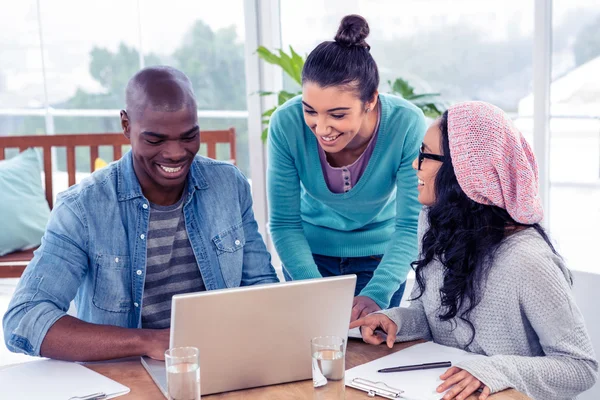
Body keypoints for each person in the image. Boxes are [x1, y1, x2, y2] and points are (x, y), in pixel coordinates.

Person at [3, 66, 279, 362]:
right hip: (122, 373)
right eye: (156, 140)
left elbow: (262, 287)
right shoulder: (82, 208)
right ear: (126, 125)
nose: (175, 153)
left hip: (218, 362)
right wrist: (150, 342)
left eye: (189, 136)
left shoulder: (229, 185)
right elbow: (24, 319)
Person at [350, 101, 598, 400]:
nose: (415, 165)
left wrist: (497, 371)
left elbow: (581, 367)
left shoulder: (528, 260)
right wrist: (395, 321)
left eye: (426, 156)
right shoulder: (434, 224)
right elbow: (431, 317)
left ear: (467, 171)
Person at [267, 14, 425, 322]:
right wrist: (313, 288)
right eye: (310, 110)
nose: (321, 128)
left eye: (337, 115)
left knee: (371, 360)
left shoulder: (406, 124)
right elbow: (284, 223)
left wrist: (377, 292)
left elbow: (410, 225)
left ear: (370, 101)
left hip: (380, 262)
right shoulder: (286, 124)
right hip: (307, 261)